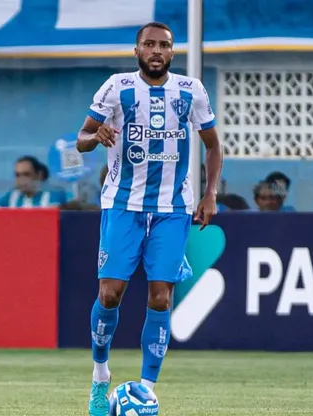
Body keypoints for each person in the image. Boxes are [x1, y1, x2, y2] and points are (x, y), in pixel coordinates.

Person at [75, 22, 222, 415]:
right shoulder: (116, 87)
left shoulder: (192, 91)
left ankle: (145, 390)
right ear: (137, 50)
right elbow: (81, 139)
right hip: (123, 206)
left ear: (172, 52)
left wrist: (209, 194)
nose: (156, 50)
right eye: (149, 44)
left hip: (173, 209)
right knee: (110, 294)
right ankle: (100, 378)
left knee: (161, 296)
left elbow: (213, 146)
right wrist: (98, 134)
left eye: (164, 45)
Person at [0, 156, 68, 208]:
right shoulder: (12, 195)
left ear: (39, 175)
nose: (21, 180)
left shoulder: (53, 194)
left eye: (26, 175)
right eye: (17, 175)